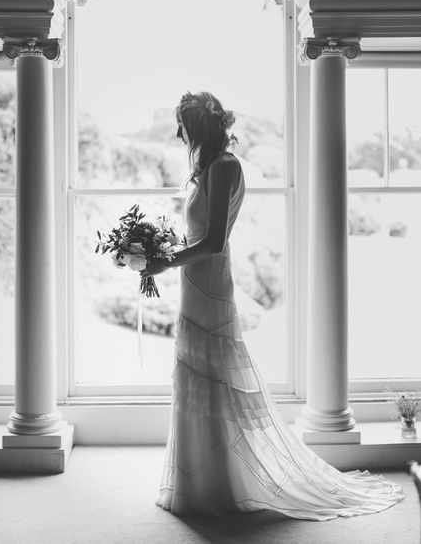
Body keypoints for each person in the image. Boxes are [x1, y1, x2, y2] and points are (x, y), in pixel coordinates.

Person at [142, 91, 404, 519]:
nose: (177, 133)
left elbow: (213, 241)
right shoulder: (206, 167)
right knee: (196, 376)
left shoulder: (225, 166)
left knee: (216, 374)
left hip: (209, 283)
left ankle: (226, 481)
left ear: (199, 126)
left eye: (182, 124)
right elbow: (197, 234)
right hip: (194, 281)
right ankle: (200, 480)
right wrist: (165, 251)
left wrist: (165, 262)